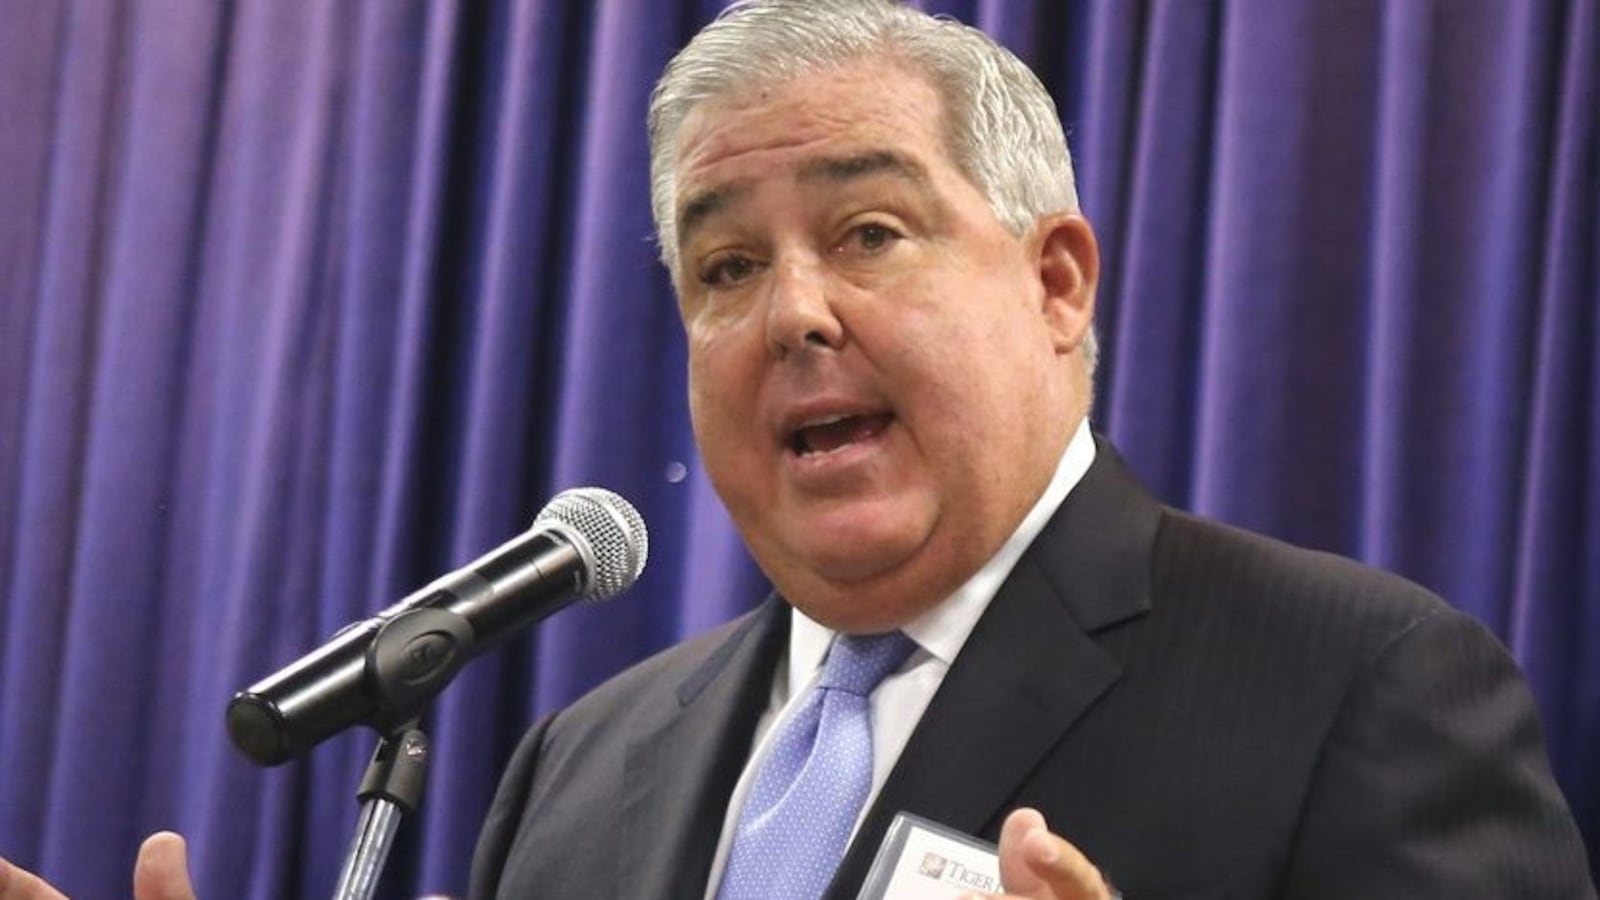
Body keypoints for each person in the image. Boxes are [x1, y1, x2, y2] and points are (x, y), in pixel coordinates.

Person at [1, 1, 1592, 899]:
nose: (792, 317)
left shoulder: (1353, 685)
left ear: (1054, 283)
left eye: (870, 230)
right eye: (725, 270)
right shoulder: (583, 763)